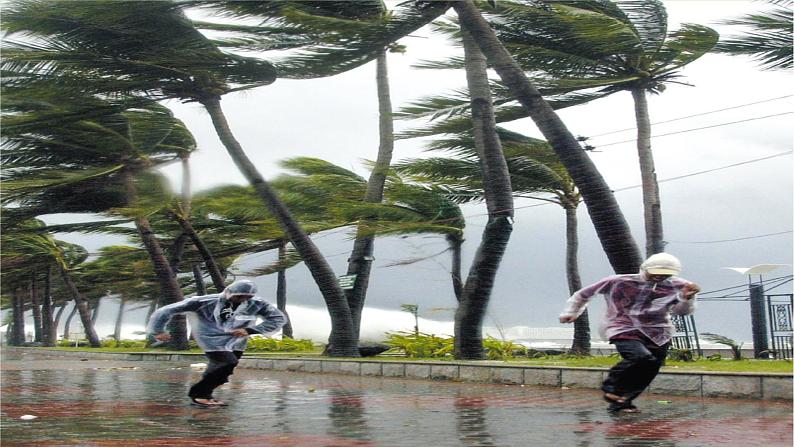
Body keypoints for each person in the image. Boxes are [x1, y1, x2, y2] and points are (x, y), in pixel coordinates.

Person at [559, 253, 700, 414]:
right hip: (622, 326)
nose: (659, 276)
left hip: (658, 331)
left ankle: (622, 402)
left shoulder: (682, 286)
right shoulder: (618, 281)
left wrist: (686, 298)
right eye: (655, 272)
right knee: (641, 357)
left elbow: (682, 312)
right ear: (644, 269)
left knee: (651, 366)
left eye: (665, 274)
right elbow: (583, 294)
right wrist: (571, 312)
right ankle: (610, 386)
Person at [148, 279, 286, 407]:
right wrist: (158, 330)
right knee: (226, 363)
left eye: (247, 297)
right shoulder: (203, 301)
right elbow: (165, 311)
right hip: (211, 339)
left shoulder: (258, 303)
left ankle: (205, 394)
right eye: (239, 296)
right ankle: (199, 395)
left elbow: (277, 318)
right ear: (228, 292)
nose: (243, 300)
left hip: (236, 341)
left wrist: (251, 330)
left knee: (224, 370)